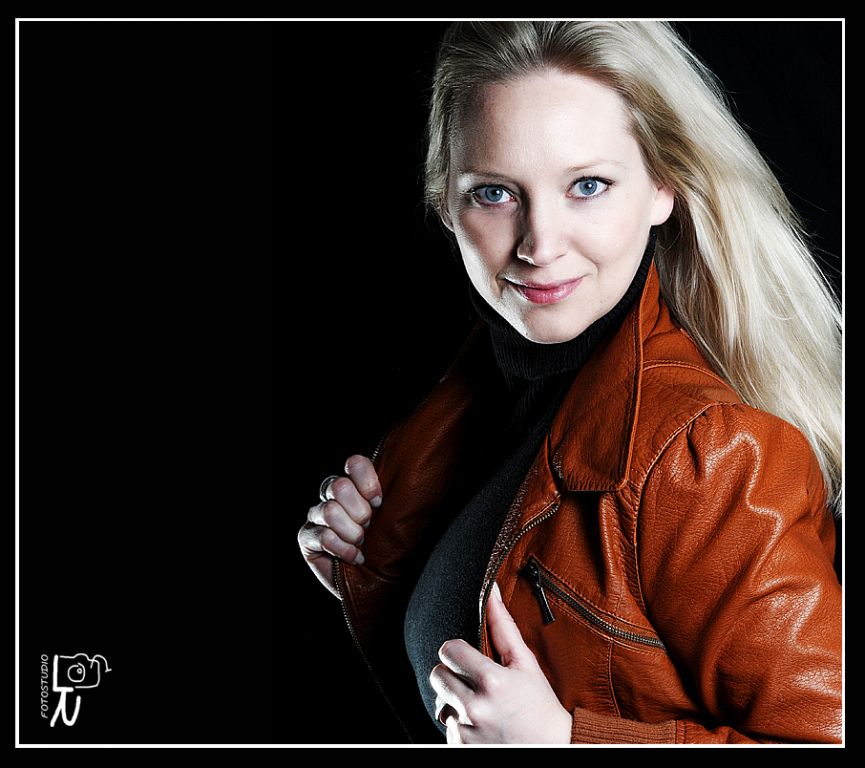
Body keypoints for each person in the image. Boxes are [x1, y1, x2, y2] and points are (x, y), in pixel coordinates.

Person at [297, 21, 841, 744]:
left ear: (662, 186)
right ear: (445, 203)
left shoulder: (708, 456)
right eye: (494, 193)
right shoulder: (473, 400)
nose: (540, 245)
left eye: (587, 186)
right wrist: (375, 564)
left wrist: (567, 742)